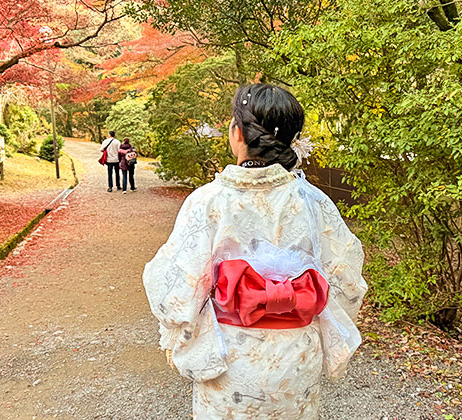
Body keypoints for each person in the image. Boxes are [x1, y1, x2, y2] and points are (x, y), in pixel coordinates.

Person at [142, 84, 367, 419]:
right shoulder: (314, 202)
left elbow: (174, 291)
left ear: (237, 133)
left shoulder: (208, 202)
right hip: (296, 360)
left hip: (231, 359)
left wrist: (187, 327)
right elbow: (348, 283)